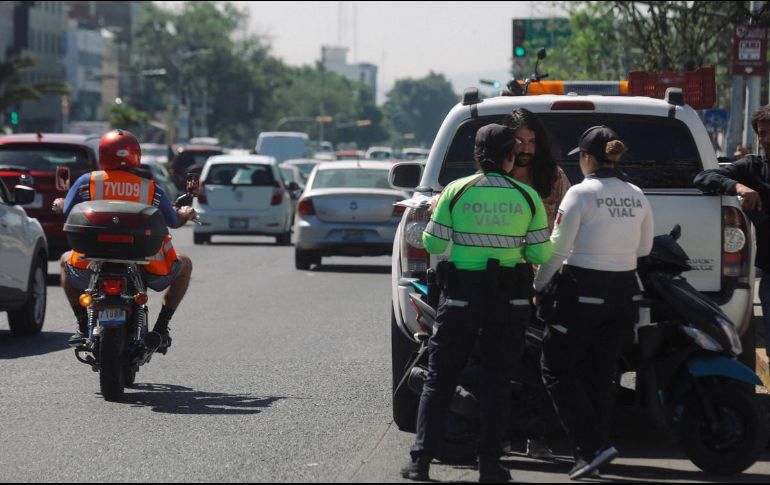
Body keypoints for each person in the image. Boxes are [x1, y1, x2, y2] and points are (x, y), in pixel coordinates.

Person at [402, 123, 552, 483]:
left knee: (440, 378)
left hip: (462, 298)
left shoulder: (456, 191)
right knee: (498, 382)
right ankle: (491, 465)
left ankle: (420, 463)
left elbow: (434, 245)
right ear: (511, 155)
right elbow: (541, 252)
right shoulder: (527, 196)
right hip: (509, 300)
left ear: (477, 155)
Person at [533, 126, 653, 480]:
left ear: (586, 158)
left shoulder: (580, 195)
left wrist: (539, 285)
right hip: (625, 292)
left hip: (583, 289)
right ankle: (597, 446)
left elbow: (557, 250)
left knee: (556, 368)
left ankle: (591, 449)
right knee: (600, 374)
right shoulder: (636, 194)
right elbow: (644, 249)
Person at [54, 129, 196, 354]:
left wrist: (61, 202)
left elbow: (67, 213)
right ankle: (161, 328)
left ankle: (82, 326)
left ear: (103, 154)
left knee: (64, 261)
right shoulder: (150, 188)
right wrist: (186, 213)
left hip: (91, 262)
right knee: (185, 264)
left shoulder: (86, 182)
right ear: (135, 155)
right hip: (146, 264)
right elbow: (173, 220)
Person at [504, 107, 571, 461]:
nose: (526, 148)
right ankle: (501, 434)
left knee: (542, 364)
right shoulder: (496, 176)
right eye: (519, 140)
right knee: (503, 362)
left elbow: (569, 223)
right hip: (502, 282)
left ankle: (538, 436)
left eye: (532, 140)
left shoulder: (555, 178)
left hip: (544, 285)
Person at [694, 104, 770, 358]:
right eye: (761, 133)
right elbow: (704, 178)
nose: (765, 138)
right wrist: (739, 187)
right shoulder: (752, 168)